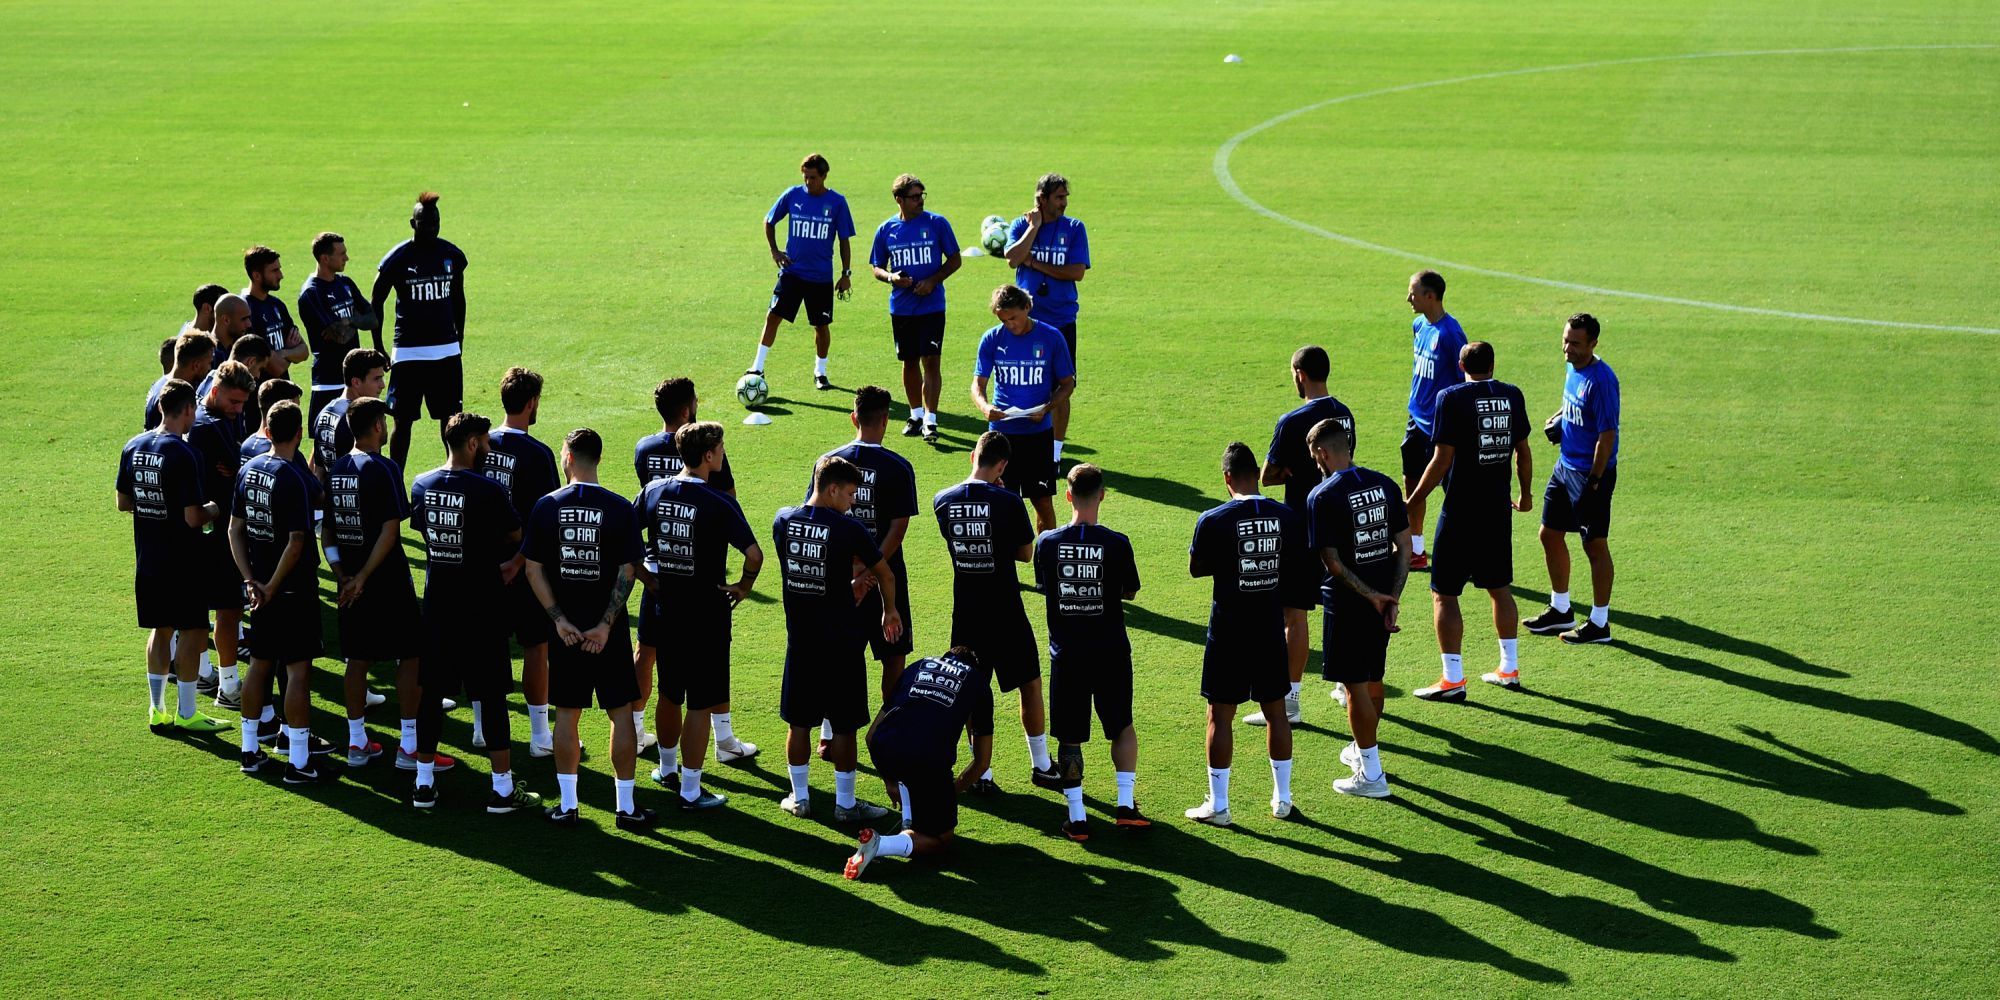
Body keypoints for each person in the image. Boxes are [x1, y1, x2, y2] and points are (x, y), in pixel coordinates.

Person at [408, 412, 539, 813]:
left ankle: (423, 783)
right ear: (470, 444)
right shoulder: (489, 490)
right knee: (492, 697)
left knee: (430, 695)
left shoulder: (422, 485)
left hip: (438, 607)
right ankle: (501, 789)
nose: (488, 448)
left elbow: (422, 529)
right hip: (482, 607)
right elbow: (516, 534)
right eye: (485, 442)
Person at [523, 429, 650, 829]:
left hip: (567, 635)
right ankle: (626, 809)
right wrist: (605, 625)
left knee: (567, 716)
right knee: (621, 715)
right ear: (598, 458)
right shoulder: (619, 508)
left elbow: (533, 568)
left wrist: (559, 620)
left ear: (568, 456)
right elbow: (628, 569)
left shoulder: (547, 506)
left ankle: (568, 805)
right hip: (606, 636)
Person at [634, 420, 763, 810]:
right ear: (708, 455)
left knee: (670, 694)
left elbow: (624, 539)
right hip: (706, 614)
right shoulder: (718, 501)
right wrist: (743, 586)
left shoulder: (653, 491)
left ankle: (667, 769)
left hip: (665, 609)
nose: (723, 454)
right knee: (701, 701)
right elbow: (754, 555)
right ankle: (691, 789)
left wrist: (645, 575)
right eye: (720, 449)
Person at [773, 455, 902, 821]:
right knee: (844, 726)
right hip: (843, 643)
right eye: (848, 494)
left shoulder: (783, 521)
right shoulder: (850, 528)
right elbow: (886, 575)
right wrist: (888, 610)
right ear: (831, 489)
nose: (852, 501)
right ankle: (846, 805)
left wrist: (846, 587)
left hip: (801, 642)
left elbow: (809, 576)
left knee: (798, 723)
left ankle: (800, 799)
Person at [933, 431, 1061, 793]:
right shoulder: (1008, 501)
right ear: (1002, 465)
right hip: (1005, 607)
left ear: (974, 454)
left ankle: (981, 774)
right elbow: (1024, 554)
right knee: (1029, 682)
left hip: (966, 610)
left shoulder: (942, 500)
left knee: (972, 688)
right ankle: (1040, 764)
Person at [1187, 443, 1305, 824]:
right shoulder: (1285, 516)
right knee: (1276, 713)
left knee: (1219, 715)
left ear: (1226, 479)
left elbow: (1197, 568)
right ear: (1257, 473)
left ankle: (1219, 806)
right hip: (1270, 626)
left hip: (1228, 629)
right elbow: (1293, 569)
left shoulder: (1213, 519)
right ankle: (1283, 799)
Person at [1407, 342, 1533, 700]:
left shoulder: (1451, 397)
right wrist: (1524, 495)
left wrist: (1412, 501)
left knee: (1443, 593)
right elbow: (1522, 452)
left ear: (1461, 363)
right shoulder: (1511, 395)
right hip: (1497, 509)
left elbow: (1441, 460)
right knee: (1499, 588)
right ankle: (1509, 669)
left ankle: (1452, 679)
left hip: (1460, 510)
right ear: (1493, 364)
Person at [1033, 463, 1145, 839]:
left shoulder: (1046, 543)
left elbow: (1046, 587)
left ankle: (1078, 817)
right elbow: (1129, 591)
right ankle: (1126, 806)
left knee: (1069, 738)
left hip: (1067, 655)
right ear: (1102, 495)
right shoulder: (1117, 543)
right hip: (1111, 650)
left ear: (1067, 495)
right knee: (1122, 726)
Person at [807, 386, 918, 761]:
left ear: (854, 418)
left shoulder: (829, 462)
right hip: (887, 577)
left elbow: (820, 516)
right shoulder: (900, 467)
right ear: (886, 419)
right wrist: (874, 572)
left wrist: (857, 573)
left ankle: (827, 733)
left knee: (838, 656)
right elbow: (897, 530)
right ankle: (889, 730)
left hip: (840, 578)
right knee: (894, 655)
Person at [118, 378, 230, 734]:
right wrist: (214, 508)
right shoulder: (184, 453)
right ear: (188, 410)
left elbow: (123, 502)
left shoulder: (133, 445)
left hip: (148, 556)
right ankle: (187, 712)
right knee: (194, 631)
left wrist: (155, 506)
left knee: (160, 630)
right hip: (183, 560)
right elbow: (193, 516)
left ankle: (156, 709)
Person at [1307, 419, 1410, 800]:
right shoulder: (1385, 484)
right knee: (1373, 680)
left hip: (1348, 605)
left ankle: (1371, 773)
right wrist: (1390, 597)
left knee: (1353, 688)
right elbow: (1405, 547)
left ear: (1321, 453)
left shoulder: (1323, 496)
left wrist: (1371, 596)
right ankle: (1362, 751)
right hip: (1381, 599)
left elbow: (1332, 563)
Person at [1255, 344, 1357, 726]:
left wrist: (1288, 474)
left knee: (1294, 615)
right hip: (1342, 523)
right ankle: (1348, 686)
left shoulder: (1292, 420)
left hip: (1302, 528)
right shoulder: (1344, 414)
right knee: (1342, 608)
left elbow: (1267, 475)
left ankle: (1290, 701)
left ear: (1299, 374)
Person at [227, 401, 327, 782]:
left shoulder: (247, 470)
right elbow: (297, 542)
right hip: (292, 590)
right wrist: (271, 584)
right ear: (298, 433)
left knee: (260, 664)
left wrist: (250, 580)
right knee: (298, 671)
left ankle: (249, 751)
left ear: (266, 430)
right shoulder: (292, 477)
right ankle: (298, 762)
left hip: (260, 592)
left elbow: (234, 530)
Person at [324, 397, 427, 768]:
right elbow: (390, 529)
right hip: (386, 580)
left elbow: (328, 532)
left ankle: (357, 743)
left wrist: (343, 578)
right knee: (411, 654)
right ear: (379, 427)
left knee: (357, 658)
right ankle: (410, 747)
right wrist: (365, 576)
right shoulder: (384, 469)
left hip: (350, 581)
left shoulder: (335, 470)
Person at [844, 647, 994, 881]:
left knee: (909, 759)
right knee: (941, 840)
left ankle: (910, 815)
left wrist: (888, 780)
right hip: (927, 759)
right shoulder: (978, 682)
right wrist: (948, 794)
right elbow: (982, 762)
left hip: (886, 745)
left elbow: (871, 735)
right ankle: (880, 844)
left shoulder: (918, 665)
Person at [1523, 313, 1620, 645]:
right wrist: (1560, 419)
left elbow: (1606, 436)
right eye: (1565, 340)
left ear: (1593, 344)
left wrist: (1594, 481)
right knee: (1549, 534)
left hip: (1590, 474)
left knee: (1594, 545)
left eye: (1576, 344)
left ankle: (1600, 622)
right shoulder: (1573, 368)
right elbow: (1576, 406)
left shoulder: (1602, 380)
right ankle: (1561, 609)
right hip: (1565, 467)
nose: (1568, 348)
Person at [481, 367, 560, 757]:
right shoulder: (539, 453)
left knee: (487, 646)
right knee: (535, 648)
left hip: (483, 566)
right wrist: (519, 560)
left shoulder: (478, 443)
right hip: (526, 567)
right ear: (531, 403)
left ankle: (482, 728)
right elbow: (544, 519)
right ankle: (540, 735)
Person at [371, 191, 468, 471]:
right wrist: (378, 344)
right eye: (425, 223)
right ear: (413, 223)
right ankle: (395, 479)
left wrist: (458, 337)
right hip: (409, 352)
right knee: (402, 423)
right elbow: (377, 300)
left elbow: (459, 298)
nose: (431, 228)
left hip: (446, 352)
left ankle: (455, 474)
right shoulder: (398, 259)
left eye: (435, 222)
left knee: (450, 420)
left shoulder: (451, 255)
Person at [971, 285, 1076, 535]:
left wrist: (1047, 408)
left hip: (1037, 435)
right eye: (1003, 320)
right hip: (1001, 437)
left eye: (1014, 318)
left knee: (1042, 501)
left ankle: (1044, 562)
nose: (1010, 325)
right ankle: (1004, 566)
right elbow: (978, 383)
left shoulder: (1051, 338)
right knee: (1001, 502)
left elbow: (1067, 384)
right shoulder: (991, 338)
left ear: (1027, 307)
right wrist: (985, 407)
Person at [187, 362, 258, 729]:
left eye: (242, 403)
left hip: (221, 529)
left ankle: (208, 674)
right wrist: (235, 469)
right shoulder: (207, 428)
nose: (238, 409)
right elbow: (240, 468)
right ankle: (229, 686)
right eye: (233, 401)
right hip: (218, 534)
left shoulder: (223, 420)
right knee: (227, 610)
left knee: (219, 609)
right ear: (214, 390)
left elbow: (236, 467)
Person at [1002, 173, 1091, 465]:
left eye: (1065, 197)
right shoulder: (1021, 224)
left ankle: (1054, 451)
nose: (1064, 203)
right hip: (1027, 323)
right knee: (1026, 380)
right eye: (1059, 197)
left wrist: (1035, 262)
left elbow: (1076, 271)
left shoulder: (1075, 228)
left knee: (1063, 385)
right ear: (1042, 199)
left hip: (1062, 319)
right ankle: (1026, 443)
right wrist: (1034, 229)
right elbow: (1013, 257)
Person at [748, 153, 855, 392]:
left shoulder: (837, 202)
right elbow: (769, 220)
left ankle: (820, 372)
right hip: (792, 273)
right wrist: (775, 251)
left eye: (813, 177)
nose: (808, 182)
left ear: (824, 176)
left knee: (820, 326)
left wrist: (846, 273)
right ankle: (757, 366)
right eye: (805, 177)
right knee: (773, 315)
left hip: (820, 277)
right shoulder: (792, 195)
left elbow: (844, 240)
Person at [868, 173, 962, 439]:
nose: (920, 200)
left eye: (922, 195)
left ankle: (931, 420)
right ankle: (916, 414)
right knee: (909, 362)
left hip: (932, 306)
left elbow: (955, 259)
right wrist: (891, 278)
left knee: (931, 361)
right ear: (899, 200)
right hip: (902, 308)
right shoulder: (886, 230)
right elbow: (876, 266)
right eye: (914, 197)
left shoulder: (937, 224)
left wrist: (933, 280)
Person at [1401, 269, 1467, 572]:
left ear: (1430, 296)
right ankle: (1416, 549)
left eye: (1413, 293)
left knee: (1455, 494)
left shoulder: (1451, 336)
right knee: (1412, 479)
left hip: (1442, 428)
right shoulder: (1419, 325)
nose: (1408, 299)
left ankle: (1468, 554)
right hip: (1417, 419)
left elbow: (1465, 384)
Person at [296, 231, 379, 427]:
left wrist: (348, 320)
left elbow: (373, 319)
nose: (347, 258)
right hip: (328, 378)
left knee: (357, 432)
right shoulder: (311, 293)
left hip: (352, 379)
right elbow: (339, 336)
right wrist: (356, 321)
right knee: (323, 435)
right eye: (341, 254)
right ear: (325, 258)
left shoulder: (345, 283)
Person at [635, 377, 736, 491]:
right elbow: (729, 497)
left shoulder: (643, 448)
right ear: (685, 413)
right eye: (695, 403)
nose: (697, 406)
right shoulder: (707, 445)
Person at [312, 349, 388, 478]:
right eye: (377, 379)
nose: (382, 385)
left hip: (332, 493)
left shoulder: (324, 413)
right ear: (356, 382)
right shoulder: (360, 418)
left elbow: (318, 470)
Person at [240, 245, 310, 380]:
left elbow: (304, 351)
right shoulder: (245, 311)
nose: (281, 275)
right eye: (274, 270)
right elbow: (275, 369)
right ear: (256, 275)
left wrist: (283, 352)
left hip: (282, 392)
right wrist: (290, 352)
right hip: (261, 395)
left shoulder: (277, 305)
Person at [145, 331, 215, 430]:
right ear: (196, 365)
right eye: (209, 362)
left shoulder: (162, 385)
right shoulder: (170, 396)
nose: (210, 368)